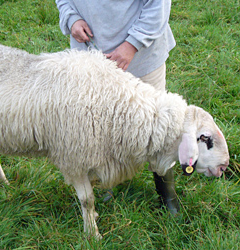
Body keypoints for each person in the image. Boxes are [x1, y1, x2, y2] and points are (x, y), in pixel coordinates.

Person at [55, 0, 179, 214]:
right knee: (100, 125)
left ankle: (166, 191)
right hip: (90, 56)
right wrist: (71, 17)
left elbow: (157, 4)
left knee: (158, 124)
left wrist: (132, 44)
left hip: (141, 57)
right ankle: (107, 180)